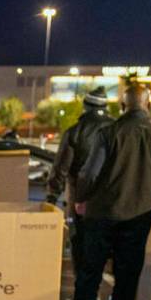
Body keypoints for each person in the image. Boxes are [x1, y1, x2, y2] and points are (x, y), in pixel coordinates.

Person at [65, 84, 151, 300]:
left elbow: (89, 174)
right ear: (148, 104)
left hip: (102, 213)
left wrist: (80, 199)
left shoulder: (109, 133)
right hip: (140, 215)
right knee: (127, 276)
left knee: (90, 271)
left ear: (122, 105)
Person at [47, 86, 113, 269]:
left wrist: (52, 196)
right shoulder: (117, 131)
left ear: (85, 106)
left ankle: (84, 293)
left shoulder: (75, 132)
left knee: (82, 254)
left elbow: (60, 168)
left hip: (79, 203)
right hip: (111, 203)